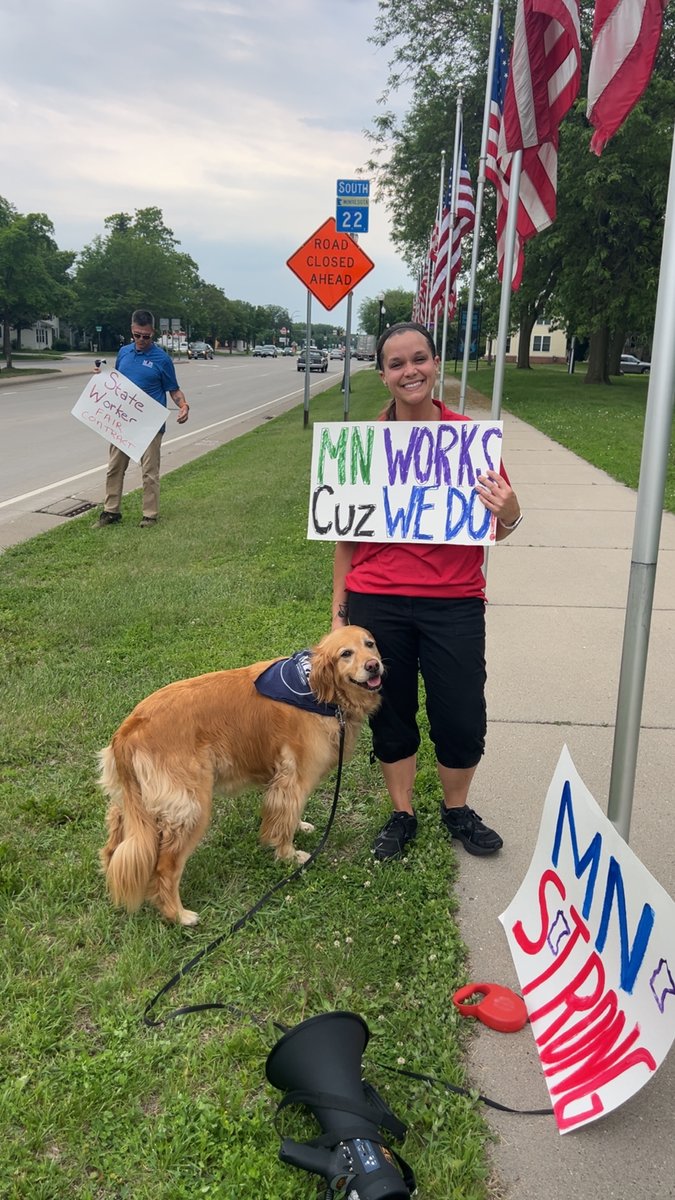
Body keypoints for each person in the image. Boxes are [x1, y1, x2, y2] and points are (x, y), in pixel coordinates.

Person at [331, 322, 523, 862]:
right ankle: (402, 811)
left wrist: (511, 513)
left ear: (435, 365)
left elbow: (499, 524)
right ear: (383, 374)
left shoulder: (470, 442)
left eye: (419, 359)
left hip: (454, 600)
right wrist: (341, 616)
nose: (409, 370)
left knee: (461, 714)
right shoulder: (364, 445)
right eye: (396, 363)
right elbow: (346, 538)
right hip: (377, 599)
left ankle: (457, 809)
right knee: (390, 713)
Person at [92, 309, 190, 528]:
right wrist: (101, 377)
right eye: (137, 335)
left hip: (150, 424)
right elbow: (116, 382)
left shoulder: (162, 359)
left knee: (150, 472)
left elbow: (174, 390)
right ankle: (111, 511)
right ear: (131, 331)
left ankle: (149, 515)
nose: (142, 340)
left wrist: (183, 405)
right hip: (123, 421)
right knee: (114, 467)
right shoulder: (124, 353)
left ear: (152, 332)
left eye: (146, 336)